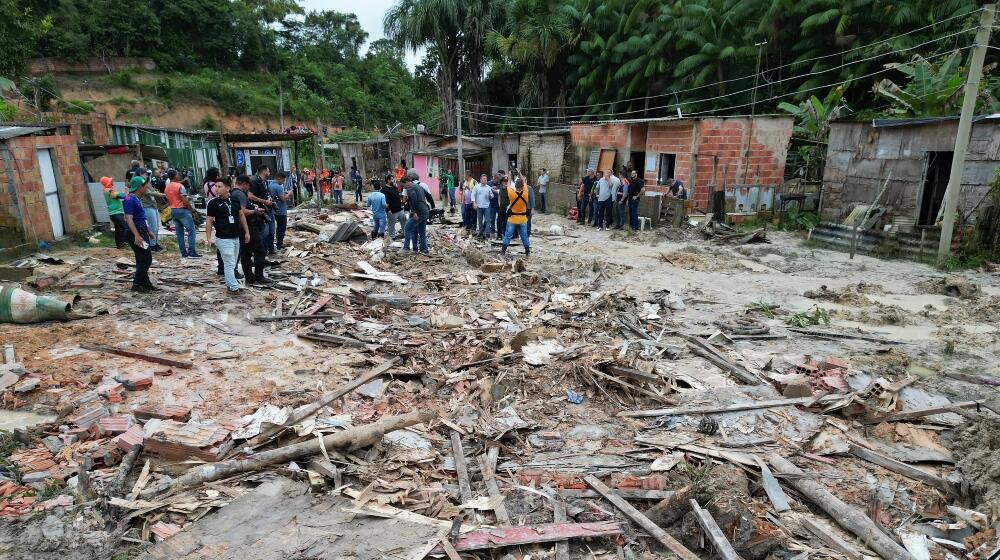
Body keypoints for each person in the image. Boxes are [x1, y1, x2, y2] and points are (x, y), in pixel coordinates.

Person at [205, 179, 247, 295]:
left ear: (228, 188)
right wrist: (209, 238)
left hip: (235, 236)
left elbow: (241, 215)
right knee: (229, 263)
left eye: (220, 186)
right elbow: (208, 221)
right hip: (223, 238)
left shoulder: (234, 200)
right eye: (216, 186)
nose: (216, 189)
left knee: (233, 263)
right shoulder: (213, 203)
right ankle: (234, 287)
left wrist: (246, 232)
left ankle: (229, 284)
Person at [233, 174, 271, 285]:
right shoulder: (240, 194)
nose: (248, 189)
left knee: (246, 254)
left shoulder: (232, 193)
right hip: (248, 227)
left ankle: (249, 278)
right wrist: (255, 211)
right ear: (244, 184)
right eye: (248, 186)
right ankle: (259, 277)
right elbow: (242, 212)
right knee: (260, 251)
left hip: (239, 228)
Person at [123, 176, 156, 292]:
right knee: (146, 259)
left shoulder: (136, 199)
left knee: (141, 259)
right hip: (136, 233)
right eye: (144, 186)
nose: (146, 187)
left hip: (142, 231)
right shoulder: (129, 199)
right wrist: (137, 235)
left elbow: (140, 218)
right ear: (139, 187)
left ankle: (145, 283)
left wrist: (148, 231)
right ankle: (137, 283)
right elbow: (128, 218)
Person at [164, 169, 201, 258]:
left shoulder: (167, 187)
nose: (179, 175)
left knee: (179, 233)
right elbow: (185, 200)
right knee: (191, 231)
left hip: (173, 210)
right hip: (182, 210)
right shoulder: (179, 186)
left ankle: (183, 252)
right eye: (177, 174)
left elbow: (167, 199)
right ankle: (192, 251)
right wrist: (192, 210)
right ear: (175, 176)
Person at [500, 177, 532, 258]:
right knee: (524, 236)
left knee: (508, 236)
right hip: (523, 219)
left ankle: (503, 252)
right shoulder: (525, 193)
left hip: (512, 219)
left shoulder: (511, 193)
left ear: (516, 186)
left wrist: (510, 175)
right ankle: (527, 253)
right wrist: (520, 174)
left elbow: (508, 184)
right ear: (522, 186)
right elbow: (525, 182)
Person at [135, 168, 165, 252]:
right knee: (152, 227)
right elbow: (147, 192)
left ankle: (154, 243)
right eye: (144, 174)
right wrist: (159, 194)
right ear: (140, 174)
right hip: (147, 206)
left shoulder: (147, 182)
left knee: (155, 227)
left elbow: (151, 191)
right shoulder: (139, 183)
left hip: (152, 205)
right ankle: (152, 245)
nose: (146, 175)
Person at [402, 176, 429, 254]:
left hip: (419, 212)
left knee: (407, 228)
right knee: (421, 231)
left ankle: (406, 248)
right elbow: (427, 195)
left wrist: (414, 212)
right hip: (424, 211)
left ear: (406, 182)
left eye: (403, 185)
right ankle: (424, 249)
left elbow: (414, 199)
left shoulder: (410, 188)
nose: (404, 187)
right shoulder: (418, 186)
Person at [101, 176, 128, 249]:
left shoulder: (106, 190)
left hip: (113, 213)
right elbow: (120, 196)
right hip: (117, 213)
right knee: (122, 228)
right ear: (108, 183)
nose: (112, 182)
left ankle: (119, 244)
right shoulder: (109, 191)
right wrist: (125, 193)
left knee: (118, 229)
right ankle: (122, 244)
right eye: (111, 181)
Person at [268, 171, 291, 251]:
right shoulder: (278, 186)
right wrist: (289, 194)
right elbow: (283, 199)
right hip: (281, 210)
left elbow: (277, 196)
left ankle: (277, 244)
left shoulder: (271, 185)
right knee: (281, 228)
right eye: (283, 180)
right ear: (279, 178)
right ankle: (279, 244)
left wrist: (284, 193)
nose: (283, 182)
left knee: (278, 228)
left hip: (275, 210)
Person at [472, 174, 493, 239]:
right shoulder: (476, 187)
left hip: (487, 206)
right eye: (483, 178)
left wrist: (490, 196)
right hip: (479, 206)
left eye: (485, 179)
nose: (484, 180)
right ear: (480, 179)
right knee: (480, 220)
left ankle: (487, 233)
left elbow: (492, 196)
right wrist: (474, 203)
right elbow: (473, 195)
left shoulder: (489, 187)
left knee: (487, 220)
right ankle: (480, 232)